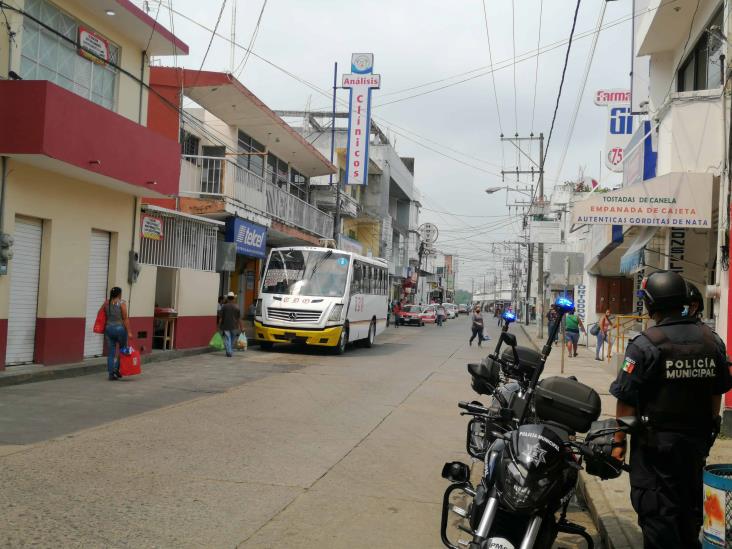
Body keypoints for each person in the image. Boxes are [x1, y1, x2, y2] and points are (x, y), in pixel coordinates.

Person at [609, 271, 732, 549]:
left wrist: (619, 443)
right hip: (695, 445)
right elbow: (717, 392)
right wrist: (710, 428)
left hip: (655, 451)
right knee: (689, 513)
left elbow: (626, 399)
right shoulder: (712, 340)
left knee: (657, 516)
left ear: (651, 304)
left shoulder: (644, 344)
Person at [103, 286, 133, 381]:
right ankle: (116, 369)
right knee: (122, 350)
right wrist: (129, 332)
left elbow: (103, 315)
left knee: (111, 353)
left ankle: (111, 374)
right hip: (120, 329)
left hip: (108, 329)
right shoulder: (121, 303)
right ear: (119, 294)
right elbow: (125, 318)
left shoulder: (106, 303)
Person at [219, 291, 243, 358]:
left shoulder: (224, 307)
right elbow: (239, 319)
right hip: (234, 326)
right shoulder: (237, 307)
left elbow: (221, 318)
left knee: (227, 338)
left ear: (228, 299)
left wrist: (219, 326)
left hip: (225, 325)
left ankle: (229, 351)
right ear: (233, 299)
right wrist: (242, 327)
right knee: (232, 339)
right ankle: (229, 351)